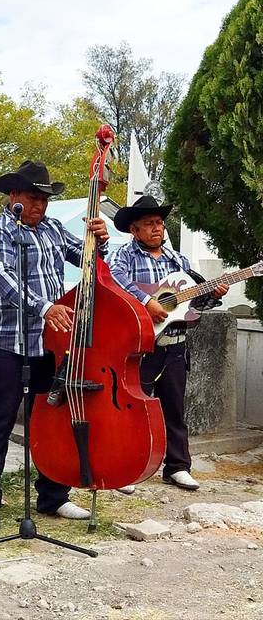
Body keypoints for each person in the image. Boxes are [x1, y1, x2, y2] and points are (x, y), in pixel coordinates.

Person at [0, 161, 110, 533]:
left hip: (50, 343)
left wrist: (100, 240)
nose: (40, 206)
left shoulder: (52, 229)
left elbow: (89, 262)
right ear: (14, 195)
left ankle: (53, 496)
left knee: (52, 419)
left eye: (44, 199)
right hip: (6, 342)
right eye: (34, 198)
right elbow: (1, 278)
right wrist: (45, 307)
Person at [106, 195, 227, 492]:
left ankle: (177, 466)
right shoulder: (125, 256)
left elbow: (195, 303)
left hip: (174, 343)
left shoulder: (178, 260)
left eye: (159, 223)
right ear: (134, 230)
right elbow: (112, 279)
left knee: (174, 407)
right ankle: (128, 466)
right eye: (149, 224)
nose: (156, 228)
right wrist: (147, 300)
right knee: (134, 407)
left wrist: (214, 293)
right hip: (139, 345)